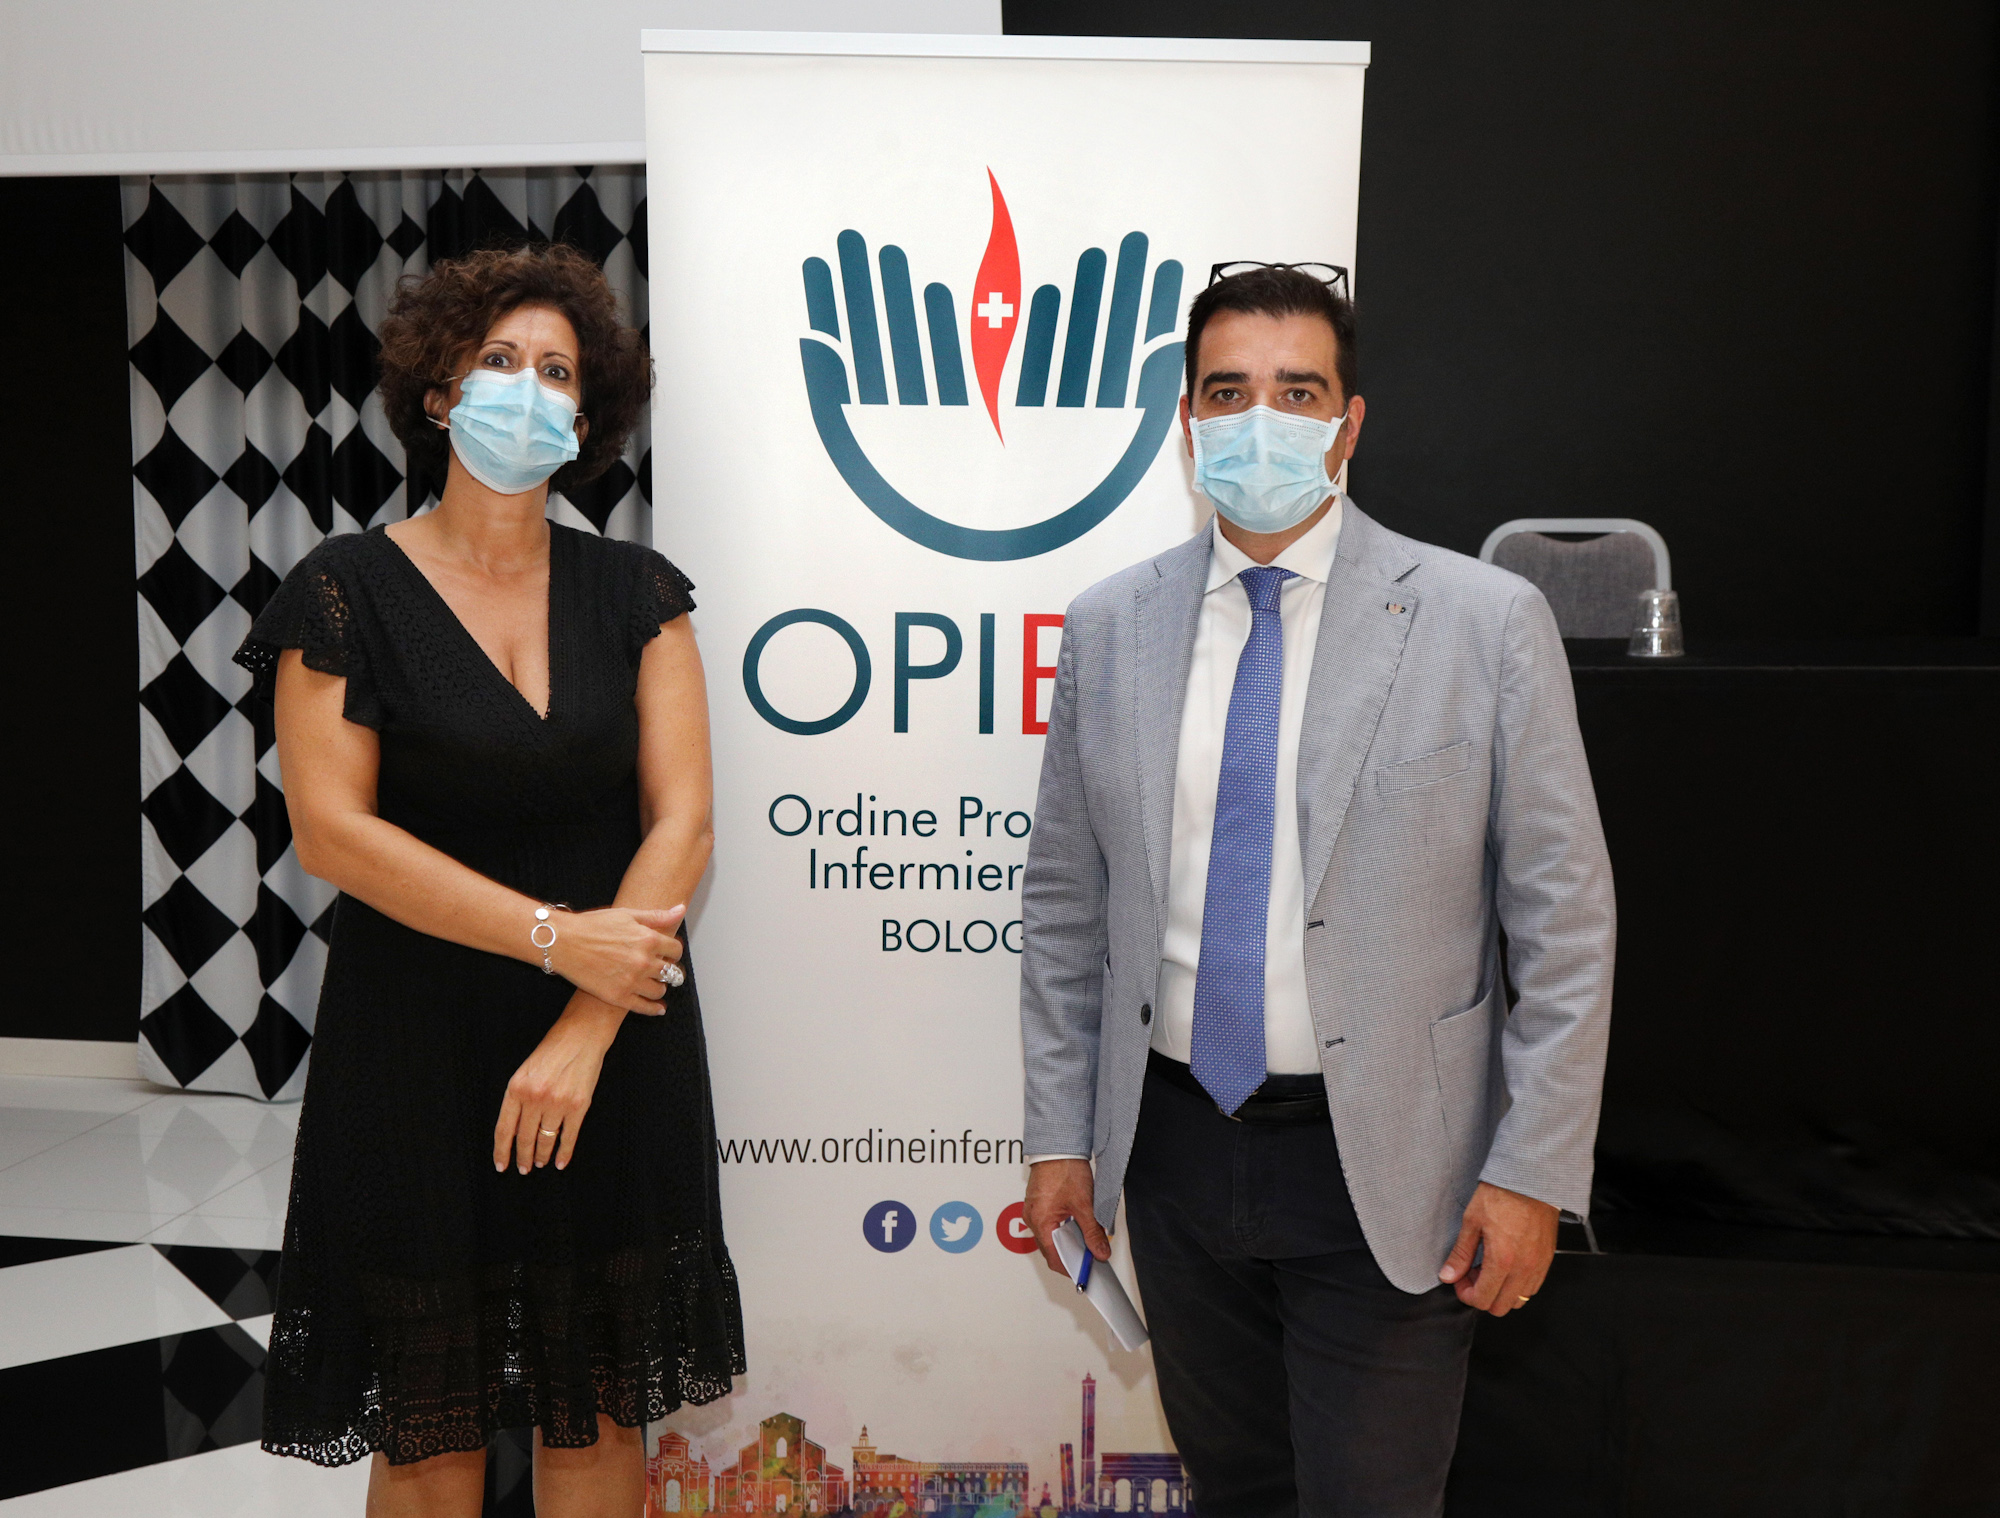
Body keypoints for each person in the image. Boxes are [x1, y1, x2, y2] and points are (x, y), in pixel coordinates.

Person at [1018, 264, 1615, 1515]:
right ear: (1185, 423)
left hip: (1393, 1164)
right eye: (1225, 392)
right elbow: (1067, 908)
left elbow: (1562, 923)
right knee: (1234, 1491)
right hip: (1176, 1156)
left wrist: (1531, 1171)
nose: (1259, 421)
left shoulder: (1481, 621)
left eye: (1296, 393)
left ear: (1348, 424)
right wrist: (1061, 1137)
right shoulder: (1109, 627)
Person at [234, 244, 744, 1517]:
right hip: (415, 1043)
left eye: (556, 371)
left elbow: (683, 822)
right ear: (439, 393)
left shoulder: (638, 591)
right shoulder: (343, 588)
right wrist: (556, 939)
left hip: (615, 1037)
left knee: (598, 1405)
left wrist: (585, 1018)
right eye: (499, 361)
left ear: (587, 414)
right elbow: (332, 834)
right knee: (429, 1426)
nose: (527, 388)